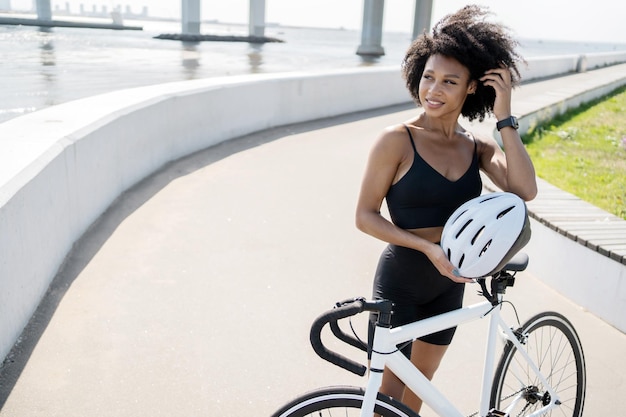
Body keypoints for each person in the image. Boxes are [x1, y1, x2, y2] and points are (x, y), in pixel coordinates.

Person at [354, 5, 537, 413]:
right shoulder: (397, 140)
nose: (433, 90)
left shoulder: (475, 146)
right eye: (428, 78)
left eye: (449, 81)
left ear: (471, 88)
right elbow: (364, 216)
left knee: (416, 399)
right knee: (386, 401)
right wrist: (428, 249)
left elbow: (524, 189)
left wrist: (504, 117)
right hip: (402, 280)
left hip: (451, 283)